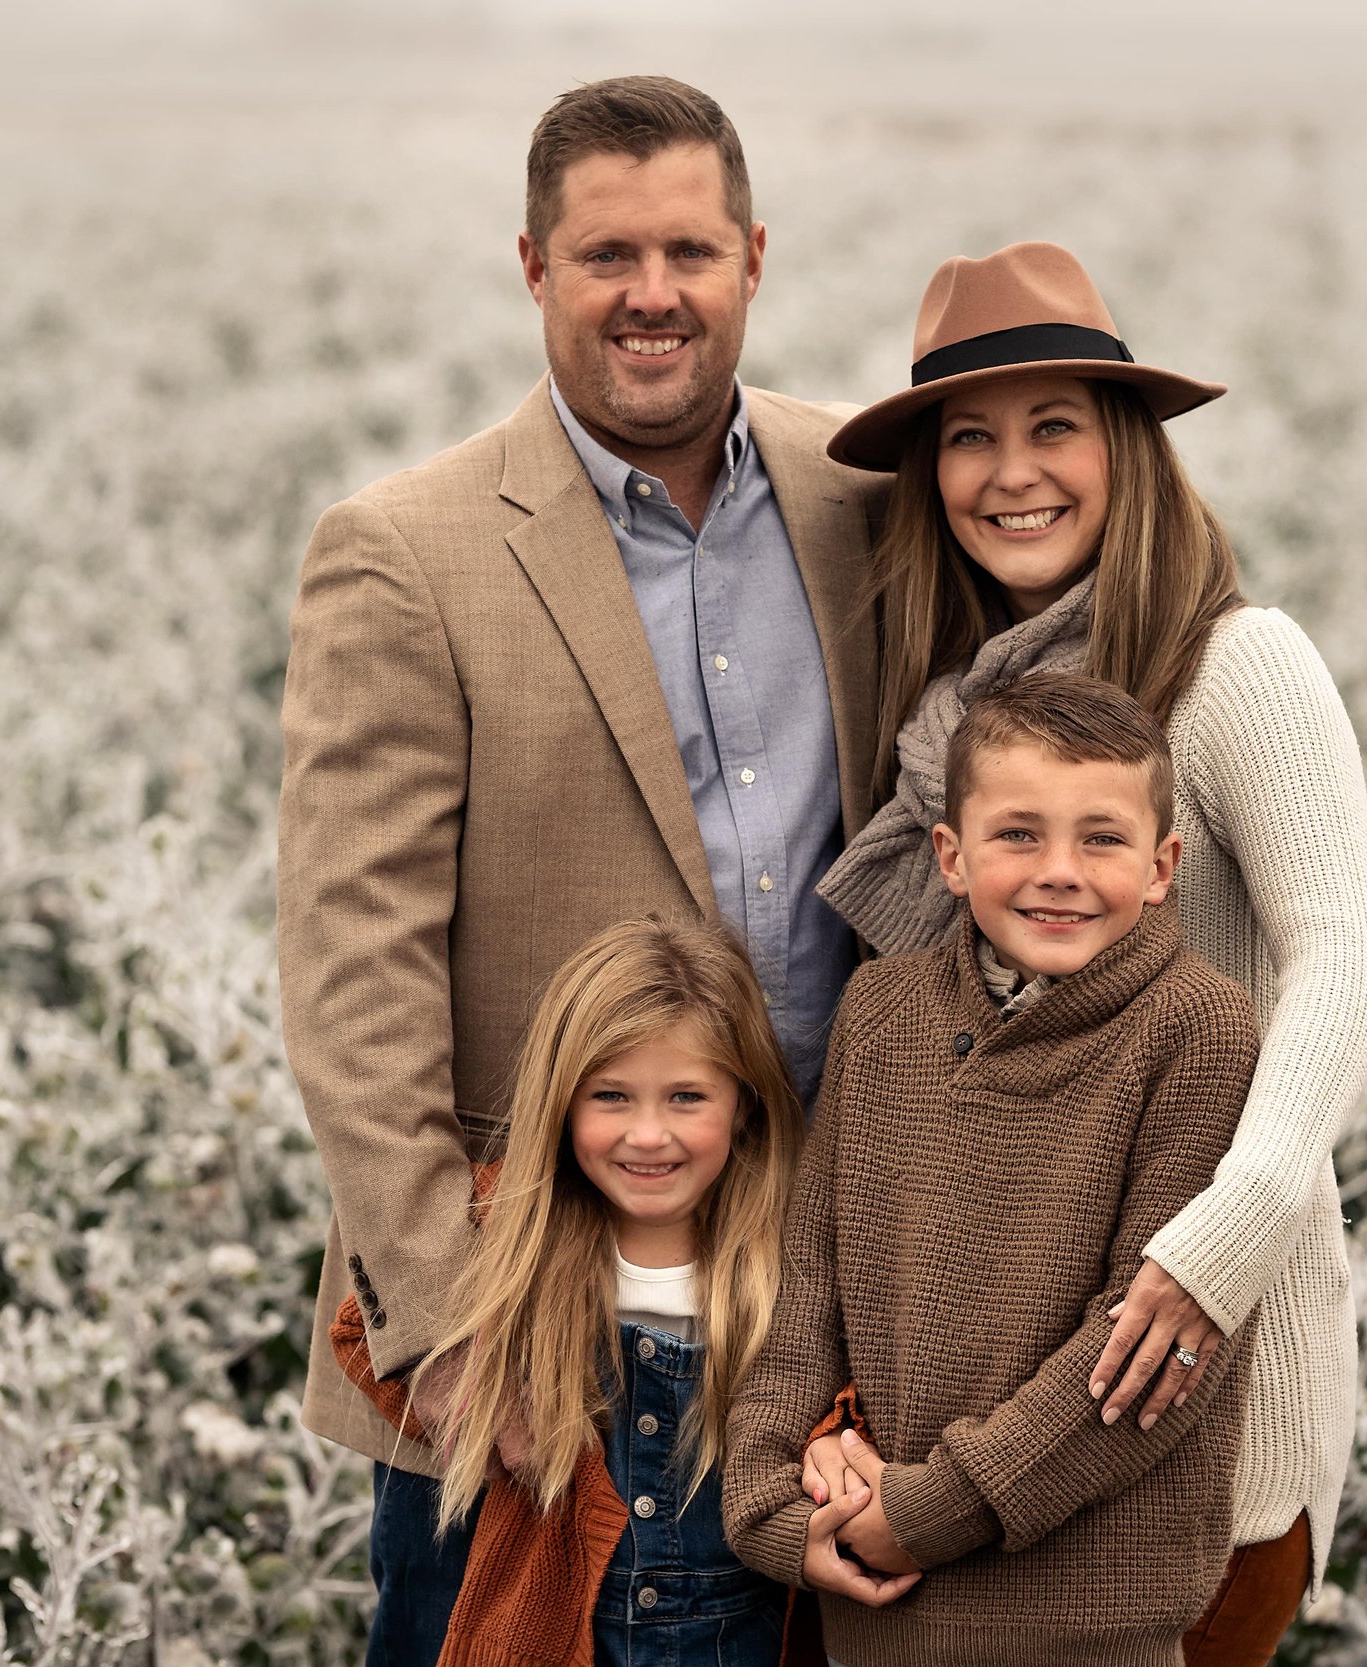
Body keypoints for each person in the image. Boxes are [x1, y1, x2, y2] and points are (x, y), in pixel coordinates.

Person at [276, 76, 881, 1667]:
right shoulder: (405, 551)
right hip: (540, 1332)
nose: (654, 294)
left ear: (754, 255)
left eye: (691, 248)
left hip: (821, 1316)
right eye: (608, 254)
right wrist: (453, 1326)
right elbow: (355, 971)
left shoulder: (865, 498)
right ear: (534, 267)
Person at [806, 242, 1367, 1664]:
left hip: (1187, 1348)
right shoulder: (950, 713)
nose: (1015, 470)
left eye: (1055, 425)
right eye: (971, 437)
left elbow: (1347, 960)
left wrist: (1222, 1238)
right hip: (984, 1388)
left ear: (1126, 448)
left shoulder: (1232, 665)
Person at [723, 672, 1263, 1667]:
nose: (1058, 869)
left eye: (1101, 838)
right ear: (950, 856)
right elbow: (807, 1282)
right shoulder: (882, 1009)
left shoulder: (1199, 1029)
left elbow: (1145, 1355)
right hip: (872, 1602)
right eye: (1018, 833)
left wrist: (928, 1509)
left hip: (1088, 1622)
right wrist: (769, 1503)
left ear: (1161, 865)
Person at [330, 917, 818, 1665]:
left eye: (687, 1096)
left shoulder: (787, 1258)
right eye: (612, 1096)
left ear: (746, 1101)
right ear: (562, 1102)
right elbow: (358, 1333)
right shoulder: (510, 1237)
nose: (649, 1134)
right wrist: (479, 1383)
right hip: (553, 1635)